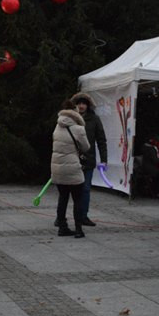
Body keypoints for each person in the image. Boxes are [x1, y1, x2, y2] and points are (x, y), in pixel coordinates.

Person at [51, 99, 91, 238]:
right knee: (77, 199)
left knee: (63, 198)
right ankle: (79, 229)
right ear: (75, 112)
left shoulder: (57, 126)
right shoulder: (79, 129)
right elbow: (86, 147)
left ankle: (62, 227)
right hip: (73, 168)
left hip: (57, 168)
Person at [70, 93, 107, 228]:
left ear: (88, 105)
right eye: (79, 103)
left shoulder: (94, 119)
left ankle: (83, 216)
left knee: (85, 189)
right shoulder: (70, 119)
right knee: (67, 189)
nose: (81, 106)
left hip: (88, 159)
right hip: (72, 159)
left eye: (84, 103)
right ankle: (60, 217)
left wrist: (104, 160)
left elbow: (101, 140)